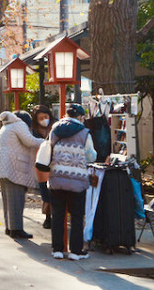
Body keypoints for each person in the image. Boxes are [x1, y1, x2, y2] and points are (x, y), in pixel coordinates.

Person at [47, 104, 97, 261]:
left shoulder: (55, 128)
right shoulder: (84, 132)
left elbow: (49, 148)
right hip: (77, 180)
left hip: (56, 177)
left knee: (58, 215)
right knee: (76, 216)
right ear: (80, 117)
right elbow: (91, 156)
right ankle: (76, 251)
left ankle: (57, 250)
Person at [0, 111, 44, 239]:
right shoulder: (19, 125)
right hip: (14, 167)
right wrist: (46, 142)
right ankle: (17, 229)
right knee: (16, 200)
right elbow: (30, 141)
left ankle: (9, 227)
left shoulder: (6, 126)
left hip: (4, 167)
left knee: (8, 200)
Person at [31, 105, 55, 229]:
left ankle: (55, 216)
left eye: (45, 117)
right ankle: (48, 217)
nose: (44, 120)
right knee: (44, 190)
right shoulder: (34, 130)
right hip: (41, 163)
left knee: (54, 190)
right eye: (40, 118)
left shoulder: (56, 126)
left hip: (55, 162)